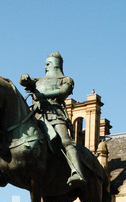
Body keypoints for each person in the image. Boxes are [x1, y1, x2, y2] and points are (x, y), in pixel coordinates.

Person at [20, 52, 85, 188]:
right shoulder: (38, 81)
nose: (46, 66)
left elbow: (62, 92)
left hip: (54, 114)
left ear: (55, 64)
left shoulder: (66, 79)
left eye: (48, 64)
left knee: (65, 141)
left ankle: (76, 171)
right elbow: (25, 82)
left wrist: (41, 95)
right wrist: (24, 78)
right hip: (35, 115)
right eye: (45, 64)